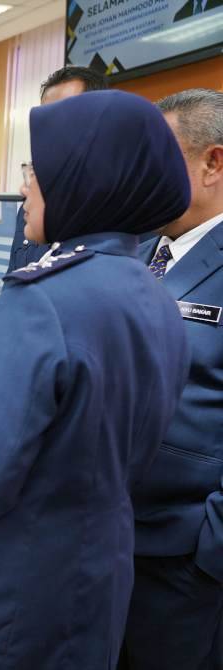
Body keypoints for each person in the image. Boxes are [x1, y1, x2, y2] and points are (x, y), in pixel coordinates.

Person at [0, 90, 192, 669]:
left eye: (38, 169)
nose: (25, 186)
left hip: (10, 591)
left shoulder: (40, 302)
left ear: (87, 179)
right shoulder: (157, 295)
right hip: (95, 578)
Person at [120, 88, 223, 670]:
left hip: (189, 558)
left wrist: (211, 548)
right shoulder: (138, 252)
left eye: (160, 157)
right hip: (119, 540)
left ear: (213, 162)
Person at [7, 66, 108, 273]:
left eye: (66, 116)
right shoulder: (32, 204)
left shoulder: (122, 210)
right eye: (45, 119)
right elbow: (15, 278)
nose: (52, 128)